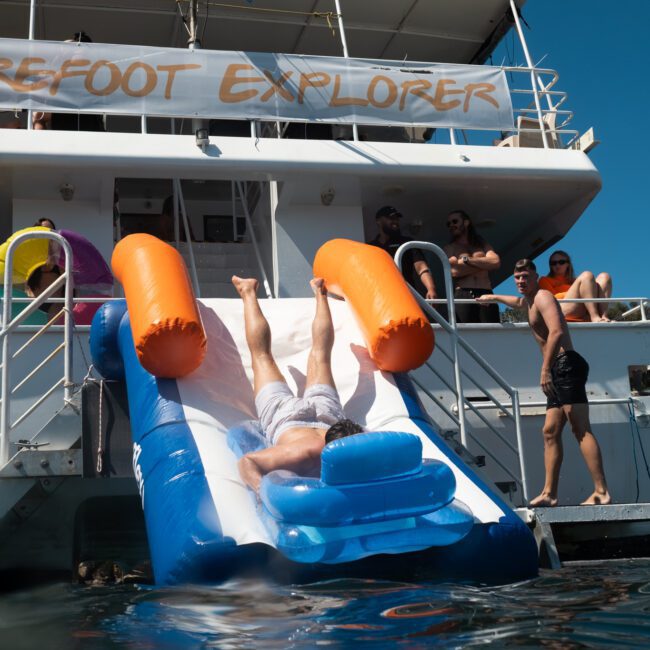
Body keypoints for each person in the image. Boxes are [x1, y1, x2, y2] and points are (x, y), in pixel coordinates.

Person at [477, 259, 611, 507]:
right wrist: (493, 298)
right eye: (517, 278)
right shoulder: (530, 300)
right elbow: (518, 302)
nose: (521, 281)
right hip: (558, 369)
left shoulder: (543, 296)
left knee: (580, 428)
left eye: (525, 277)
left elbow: (557, 331)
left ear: (536, 276)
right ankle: (549, 493)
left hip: (565, 365)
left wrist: (544, 369)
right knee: (549, 432)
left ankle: (601, 491)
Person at [233, 275, 364, 493]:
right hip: (287, 416)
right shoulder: (303, 453)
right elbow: (247, 462)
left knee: (319, 355)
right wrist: (261, 492)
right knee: (263, 357)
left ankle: (320, 293)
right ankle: (247, 291)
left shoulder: (341, 446)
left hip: (328, 417)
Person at [32, 32, 105, 132]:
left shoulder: (96, 73)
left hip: (89, 128)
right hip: (65, 129)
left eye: (77, 48)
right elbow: (38, 115)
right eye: (73, 48)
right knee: (38, 116)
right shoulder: (60, 75)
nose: (74, 50)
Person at [368, 206, 437, 299]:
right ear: (379, 221)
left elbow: (421, 268)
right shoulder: (369, 247)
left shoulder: (407, 243)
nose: (395, 221)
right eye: (391, 218)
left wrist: (431, 289)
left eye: (397, 219)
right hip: (381, 297)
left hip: (406, 296)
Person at [443, 210, 501, 323]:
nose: (451, 225)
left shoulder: (481, 243)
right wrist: (485, 264)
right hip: (463, 295)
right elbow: (454, 271)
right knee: (466, 336)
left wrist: (466, 260)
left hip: (486, 292)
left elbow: (495, 262)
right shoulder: (449, 248)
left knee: (491, 334)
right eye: (448, 224)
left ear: (466, 223)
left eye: (454, 221)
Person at [539, 250, 612, 323]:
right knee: (587, 275)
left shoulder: (576, 281)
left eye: (561, 262)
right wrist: (582, 292)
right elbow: (551, 299)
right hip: (561, 311)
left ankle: (604, 316)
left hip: (582, 310)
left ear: (568, 264)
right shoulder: (544, 280)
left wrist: (586, 291)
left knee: (604, 277)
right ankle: (594, 317)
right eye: (553, 263)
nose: (557, 265)